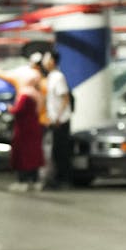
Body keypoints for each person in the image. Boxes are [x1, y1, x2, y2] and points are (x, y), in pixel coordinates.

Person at [41, 48, 73, 190]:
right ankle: (57, 179)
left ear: (52, 61)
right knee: (54, 151)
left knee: (60, 151)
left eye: (46, 59)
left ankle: (63, 180)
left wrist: (59, 116)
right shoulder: (50, 77)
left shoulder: (58, 77)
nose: (44, 63)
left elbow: (65, 98)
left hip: (61, 121)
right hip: (54, 120)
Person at [7, 70, 45, 191]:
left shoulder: (25, 95)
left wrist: (10, 109)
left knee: (22, 154)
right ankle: (34, 180)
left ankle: (22, 180)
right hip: (34, 127)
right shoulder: (38, 95)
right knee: (34, 155)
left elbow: (18, 110)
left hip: (23, 129)